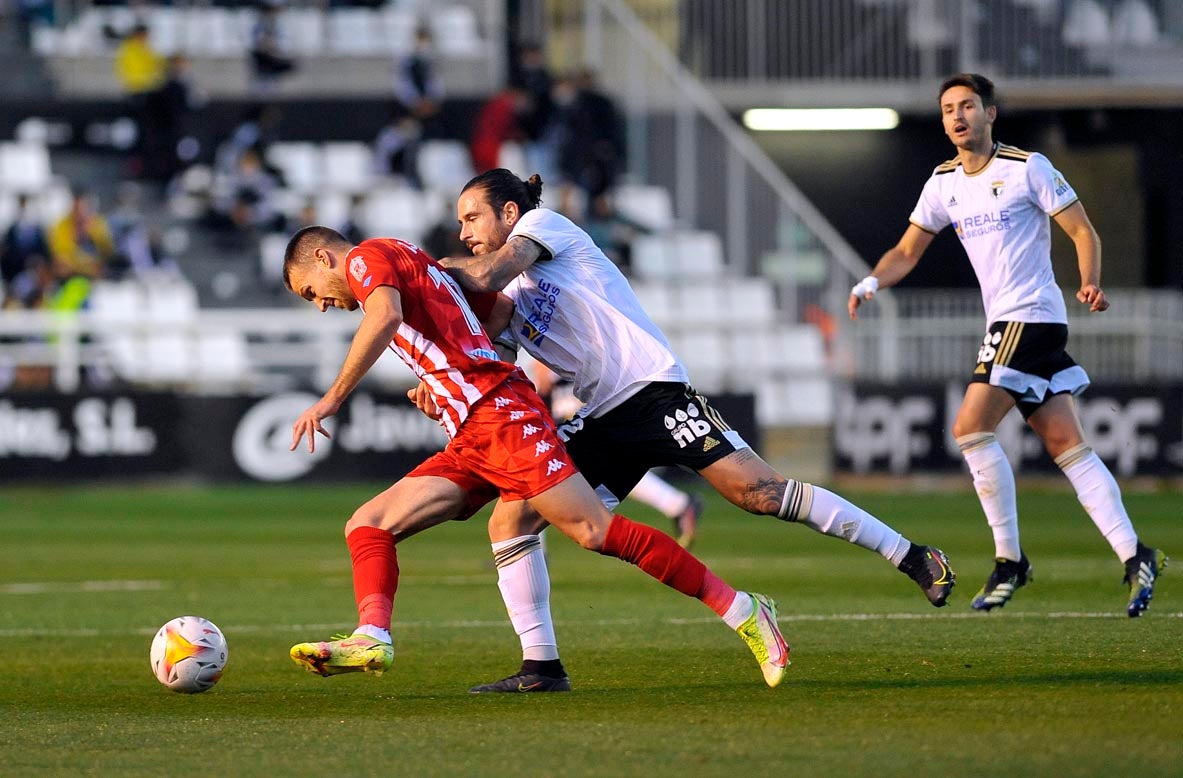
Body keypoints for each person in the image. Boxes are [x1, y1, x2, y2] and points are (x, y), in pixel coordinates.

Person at [416, 169, 955, 691]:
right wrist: (441, 388)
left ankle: (911, 555)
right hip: (602, 414)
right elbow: (497, 363)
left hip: (654, 391)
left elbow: (482, 276)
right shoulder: (513, 300)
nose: (465, 233)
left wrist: (426, 271)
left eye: (472, 218)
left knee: (761, 493)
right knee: (513, 519)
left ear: (510, 213)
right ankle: (542, 666)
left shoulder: (544, 228)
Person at [281, 226, 790, 690]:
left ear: (324, 257)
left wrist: (332, 399)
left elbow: (386, 316)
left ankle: (743, 609)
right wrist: (440, 380)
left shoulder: (368, 258)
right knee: (369, 524)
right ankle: (373, 636)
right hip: (472, 428)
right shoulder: (402, 256)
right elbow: (484, 316)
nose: (321, 305)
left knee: (593, 531)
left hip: (500, 417)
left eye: (311, 291)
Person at [848, 73, 1168, 617]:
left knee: (969, 427)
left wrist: (1090, 280)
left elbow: (1083, 231)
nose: (957, 116)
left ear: (990, 113)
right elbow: (906, 250)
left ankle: (1009, 559)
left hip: (1031, 318)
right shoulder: (943, 182)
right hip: (1014, 323)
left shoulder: (1027, 167)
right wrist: (872, 281)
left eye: (968, 105)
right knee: (1068, 444)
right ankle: (1135, 552)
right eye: (948, 108)